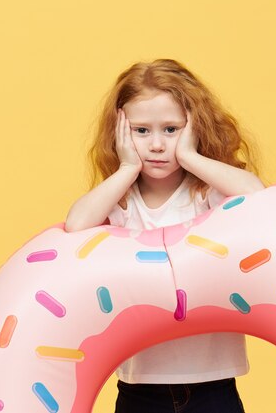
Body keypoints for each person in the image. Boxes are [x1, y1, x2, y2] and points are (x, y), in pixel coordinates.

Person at [65, 58, 264, 413]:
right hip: (140, 385)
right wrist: (128, 168)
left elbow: (257, 194)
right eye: (141, 131)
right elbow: (76, 225)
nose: (156, 144)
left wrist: (189, 155)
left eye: (171, 129)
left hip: (213, 384)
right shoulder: (123, 203)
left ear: (194, 127)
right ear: (120, 132)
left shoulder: (206, 193)